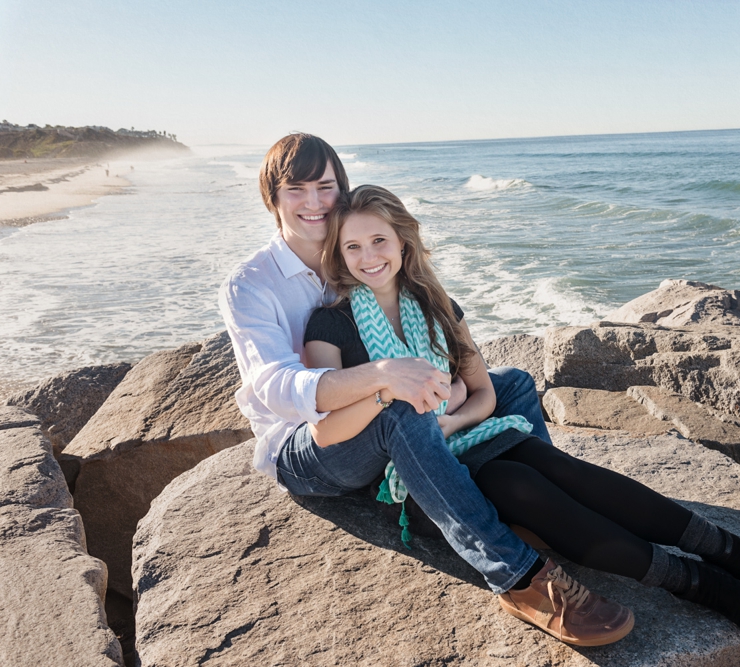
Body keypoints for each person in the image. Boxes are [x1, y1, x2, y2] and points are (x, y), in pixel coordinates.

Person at [297, 183, 740, 643]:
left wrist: (453, 419)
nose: (369, 256)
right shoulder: (331, 324)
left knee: (560, 472)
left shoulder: (435, 304)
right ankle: (701, 584)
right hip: (416, 481)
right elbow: (326, 430)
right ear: (339, 256)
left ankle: (736, 554)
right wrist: (390, 390)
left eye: (379, 240)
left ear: (403, 241)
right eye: (354, 246)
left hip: (469, 438)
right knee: (523, 490)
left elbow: (484, 393)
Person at [219, 133, 631, 647]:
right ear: (271, 198)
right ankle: (516, 576)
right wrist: (386, 376)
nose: (312, 203)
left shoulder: (352, 251)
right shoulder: (251, 283)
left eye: (324, 187)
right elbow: (278, 388)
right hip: (307, 448)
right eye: (295, 190)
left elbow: (425, 331)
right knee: (401, 411)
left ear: (341, 191)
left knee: (513, 384)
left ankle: (536, 507)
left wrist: (449, 391)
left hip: (387, 415)